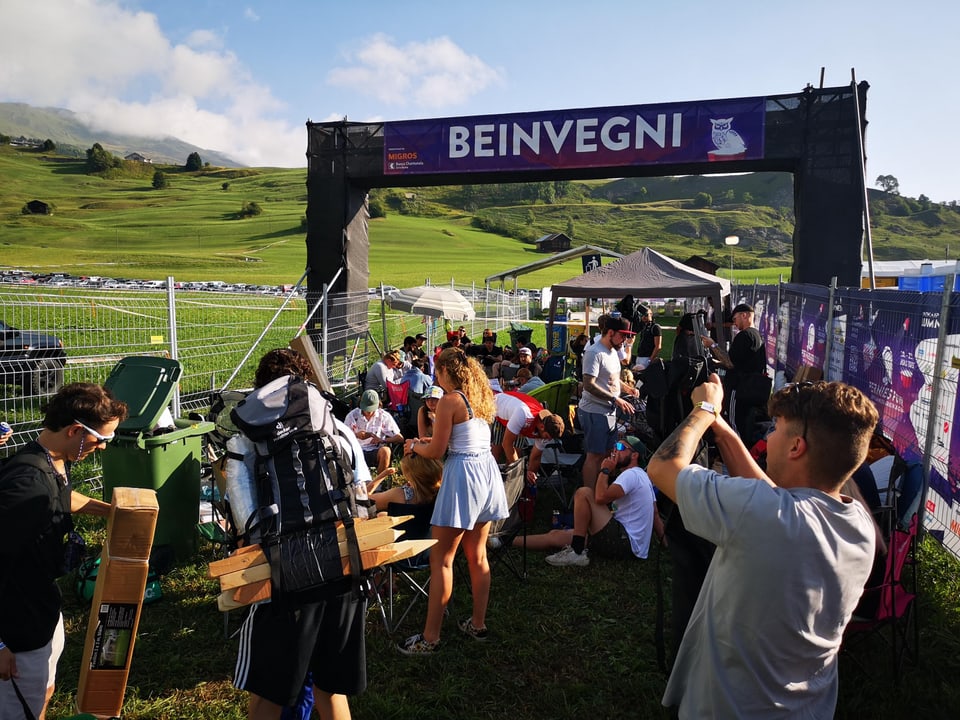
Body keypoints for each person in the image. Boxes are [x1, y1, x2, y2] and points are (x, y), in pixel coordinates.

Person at [646, 376, 878, 718]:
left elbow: (663, 467)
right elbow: (774, 497)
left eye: (776, 429)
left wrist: (705, 408)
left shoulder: (764, 514)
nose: (768, 437)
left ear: (796, 447)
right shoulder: (857, 523)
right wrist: (723, 431)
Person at [232, 348, 372, 720]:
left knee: (269, 693)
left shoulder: (248, 434)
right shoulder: (335, 424)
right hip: (346, 560)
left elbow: (245, 514)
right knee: (331, 688)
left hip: (285, 570)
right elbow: (362, 492)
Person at [0, 383, 127, 719]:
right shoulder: (26, 485)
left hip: (41, 604)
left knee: (43, 689)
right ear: (75, 430)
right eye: (103, 439)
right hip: (16, 626)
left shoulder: (54, 459)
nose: (101, 448)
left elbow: (63, 496)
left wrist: (112, 510)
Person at [397, 347, 508, 655]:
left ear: (446, 371)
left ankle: (430, 639)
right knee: (478, 555)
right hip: (486, 473)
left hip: (463, 477)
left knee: (442, 559)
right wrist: (426, 443)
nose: (435, 377)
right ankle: (478, 623)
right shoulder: (480, 398)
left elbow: (436, 452)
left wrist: (414, 446)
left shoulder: (449, 400)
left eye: (437, 371)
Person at [526, 437, 663, 566]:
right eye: (615, 446)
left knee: (584, 493)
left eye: (621, 447)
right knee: (556, 536)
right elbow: (655, 514)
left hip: (624, 541)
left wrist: (605, 470)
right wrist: (666, 544)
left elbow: (600, 497)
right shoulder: (643, 477)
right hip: (633, 547)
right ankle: (507, 541)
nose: (615, 450)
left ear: (634, 455)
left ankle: (577, 552)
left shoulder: (631, 474)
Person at [577, 316, 640, 489]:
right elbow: (589, 385)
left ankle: (601, 490)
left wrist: (627, 389)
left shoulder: (612, 351)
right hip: (594, 411)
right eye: (623, 335)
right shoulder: (594, 353)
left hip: (609, 411)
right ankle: (588, 495)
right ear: (610, 332)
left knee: (607, 454)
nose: (625, 340)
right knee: (594, 455)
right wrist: (615, 398)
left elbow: (611, 378)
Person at [702, 303, 767, 443]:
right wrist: (719, 362)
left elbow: (731, 363)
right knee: (745, 423)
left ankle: (736, 455)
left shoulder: (745, 336)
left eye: (735, 318)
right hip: (750, 388)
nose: (734, 323)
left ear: (745, 315)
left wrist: (712, 345)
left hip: (739, 388)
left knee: (735, 424)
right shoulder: (756, 335)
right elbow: (741, 362)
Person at [490, 391, 565, 484]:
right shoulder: (523, 414)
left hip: (517, 419)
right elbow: (506, 444)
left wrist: (530, 476)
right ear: (542, 427)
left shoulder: (547, 430)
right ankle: (491, 479)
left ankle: (509, 484)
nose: (548, 440)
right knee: (497, 451)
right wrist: (521, 472)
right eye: (547, 437)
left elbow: (536, 457)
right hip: (498, 409)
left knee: (517, 452)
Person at [344, 390, 404, 475]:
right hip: (356, 450)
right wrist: (355, 435)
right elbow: (342, 437)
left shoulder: (383, 416)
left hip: (375, 450)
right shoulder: (352, 416)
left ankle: (380, 482)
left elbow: (400, 438)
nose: (369, 412)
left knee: (386, 451)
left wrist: (382, 440)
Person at [368, 453, 443, 512]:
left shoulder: (400, 494)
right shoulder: (445, 493)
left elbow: (364, 502)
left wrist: (383, 475)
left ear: (409, 474)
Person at [632, 305, 662, 372]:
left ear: (651, 314)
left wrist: (650, 359)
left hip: (647, 357)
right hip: (640, 356)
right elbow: (634, 331)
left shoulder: (655, 327)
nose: (644, 317)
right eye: (642, 315)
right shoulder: (643, 326)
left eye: (646, 315)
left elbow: (658, 346)